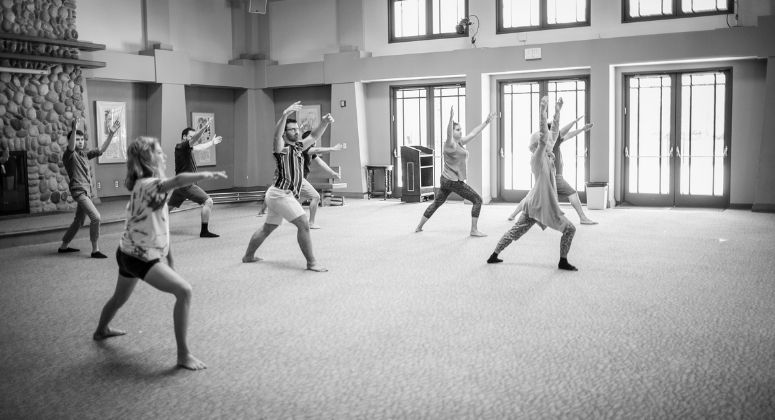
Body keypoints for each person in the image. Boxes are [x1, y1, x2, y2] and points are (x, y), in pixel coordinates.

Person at [93, 136, 227, 371]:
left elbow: (161, 223)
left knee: (119, 298)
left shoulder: (144, 185)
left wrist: (170, 258)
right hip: (139, 257)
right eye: (157, 151)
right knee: (184, 291)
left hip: (127, 252)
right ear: (146, 158)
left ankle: (101, 330)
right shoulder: (148, 184)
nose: (163, 154)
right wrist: (205, 175)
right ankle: (183, 355)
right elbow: (176, 180)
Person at [488, 96, 578, 271]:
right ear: (539, 145)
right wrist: (542, 112)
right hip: (538, 205)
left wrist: (557, 112)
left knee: (568, 229)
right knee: (517, 232)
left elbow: (552, 134)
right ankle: (493, 256)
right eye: (547, 142)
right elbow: (545, 136)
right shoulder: (537, 158)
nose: (552, 141)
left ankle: (562, 261)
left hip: (540, 203)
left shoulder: (548, 155)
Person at [242, 101, 330, 272]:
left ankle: (248, 256)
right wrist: (284, 115)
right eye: (292, 129)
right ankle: (312, 263)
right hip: (280, 194)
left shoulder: (298, 147)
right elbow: (276, 136)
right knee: (304, 224)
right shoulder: (280, 148)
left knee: (269, 227)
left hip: (279, 194)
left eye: (297, 129)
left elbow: (313, 137)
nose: (296, 131)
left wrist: (324, 123)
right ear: (285, 133)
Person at [415, 106, 497, 237]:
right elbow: (448, 134)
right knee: (478, 200)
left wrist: (486, 122)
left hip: (446, 179)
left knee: (437, 203)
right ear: (452, 132)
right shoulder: (450, 144)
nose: (461, 132)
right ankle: (474, 230)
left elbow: (473, 133)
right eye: (458, 130)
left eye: (460, 129)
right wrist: (450, 119)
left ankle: (419, 227)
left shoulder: (459, 142)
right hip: (453, 182)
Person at [507, 116, 596, 224]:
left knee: (530, 196)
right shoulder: (552, 139)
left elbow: (568, 135)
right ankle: (582, 218)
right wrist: (575, 122)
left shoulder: (548, 142)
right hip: (555, 176)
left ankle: (513, 215)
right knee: (572, 193)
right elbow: (565, 132)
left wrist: (582, 129)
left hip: (544, 176)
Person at [58, 117, 120, 258]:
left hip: (87, 192)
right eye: (77, 139)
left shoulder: (85, 155)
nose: (80, 141)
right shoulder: (69, 155)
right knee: (96, 217)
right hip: (79, 192)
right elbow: (71, 146)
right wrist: (74, 129)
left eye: (82, 139)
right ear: (71, 141)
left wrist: (111, 134)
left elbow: (101, 149)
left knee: (79, 221)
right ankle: (95, 250)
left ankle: (63, 246)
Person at [258, 130, 344, 229]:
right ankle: (311, 223)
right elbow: (316, 150)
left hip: (295, 179)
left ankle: (278, 213)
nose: (315, 142)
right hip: (296, 178)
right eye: (314, 140)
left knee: (294, 199)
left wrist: (333, 173)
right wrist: (333, 149)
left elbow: (321, 163)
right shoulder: (303, 149)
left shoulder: (305, 150)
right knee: (316, 197)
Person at [167, 121, 224, 238]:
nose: (193, 139)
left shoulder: (188, 149)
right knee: (208, 202)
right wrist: (204, 127)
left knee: (168, 208)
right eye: (190, 137)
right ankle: (204, 231)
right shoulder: (181, 146)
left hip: (180, 185)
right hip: (186, 185)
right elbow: (196, 139)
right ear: (184, 137)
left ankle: (152, 226)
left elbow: (199, 146)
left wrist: (212, 142)